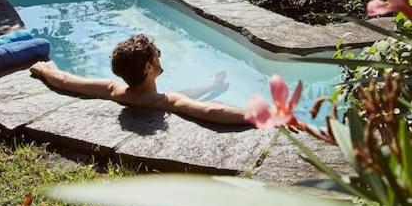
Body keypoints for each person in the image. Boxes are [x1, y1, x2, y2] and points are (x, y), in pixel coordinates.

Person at [28, 34, 249, 125]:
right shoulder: (167, 102)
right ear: (148, 67)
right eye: (157, 54)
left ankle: (212, 85)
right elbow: (211, 111)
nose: (160, 57)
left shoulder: (114, 89)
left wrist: (44, 70)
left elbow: (66, 81)